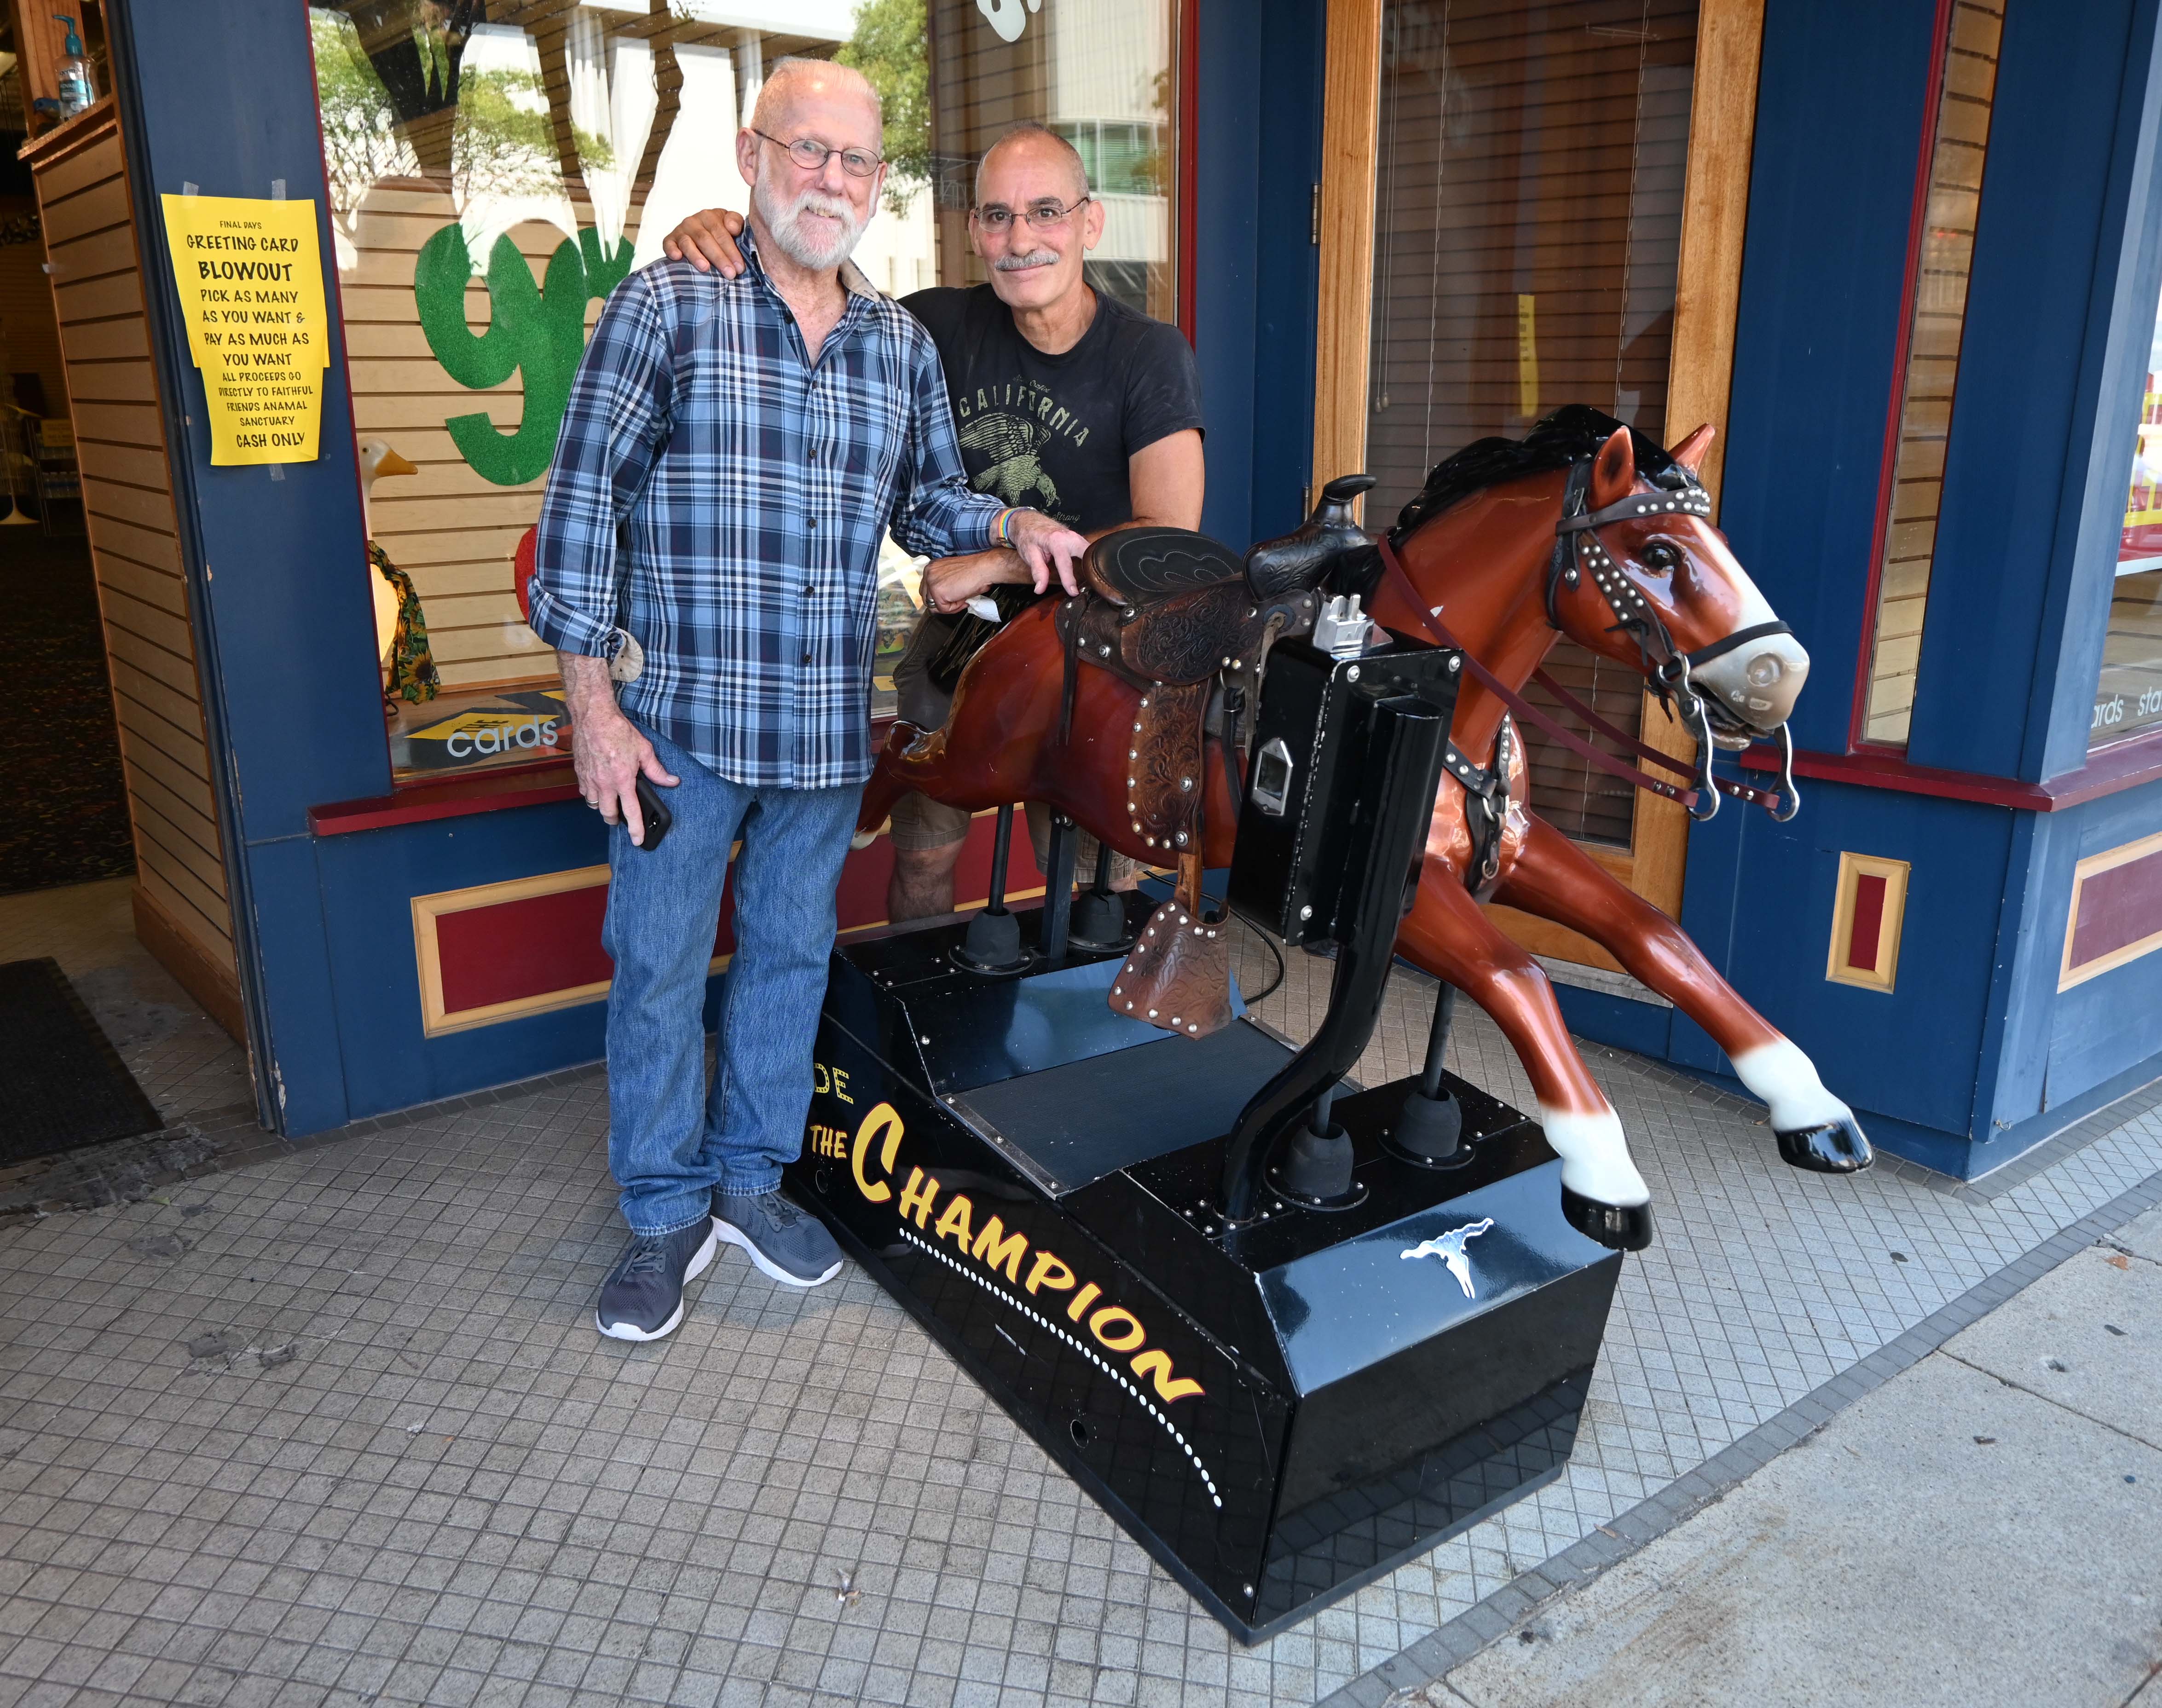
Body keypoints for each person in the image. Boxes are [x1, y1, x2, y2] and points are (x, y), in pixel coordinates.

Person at [530, 60, 1089, 1343]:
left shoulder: (897, 345)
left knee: (786, 962)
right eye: (809, 151)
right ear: (752, 154)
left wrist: (1011, 521)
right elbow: (579, 516)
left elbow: (929, 508)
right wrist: (591, 712)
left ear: (876, 184)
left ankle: (747, 1183)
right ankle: (664, 1215)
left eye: (855, 161)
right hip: (672, 728)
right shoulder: (666, 306)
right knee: (661, 974)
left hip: (826, 734)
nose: (830, 179)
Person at [663, 121, 1204, 923]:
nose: (1020, 239)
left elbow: (1167, 545)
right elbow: (811, 278)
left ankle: (1091, 1046)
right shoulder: (933, 328)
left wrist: (997, 562)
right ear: (976, 233)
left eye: (1046, 212)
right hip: (963, 645)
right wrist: (728, 229)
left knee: (1095, 890)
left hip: (1100, 656)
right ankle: (929, 1031)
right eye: (996, 216)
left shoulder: (1146, 351)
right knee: (922, 863)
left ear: (1089, 223)